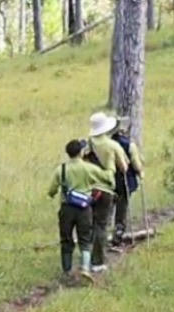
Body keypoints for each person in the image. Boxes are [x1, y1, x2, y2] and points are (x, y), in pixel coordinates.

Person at [47, 139, 111, 283]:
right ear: (81, 152)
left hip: (66, 209)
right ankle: (85, 268)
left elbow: (51, 190)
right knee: (85, 239)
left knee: (66, 239)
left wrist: (53, 194)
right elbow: (107, 178)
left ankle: (67, 270)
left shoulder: (61, 169)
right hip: (84, 209)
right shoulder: (88, 168)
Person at [85, 112, 128, 273]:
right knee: (101, 225)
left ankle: (85, 257)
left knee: (90, 222)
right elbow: (123, 167)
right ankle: (98, 261)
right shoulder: (112, 146)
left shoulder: (87, 144)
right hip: (106, 188)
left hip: (89, 188)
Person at [111, 117, 145, 245]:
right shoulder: (129, 144)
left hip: (108, 180)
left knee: (108, 207)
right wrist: (140, 172)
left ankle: (102, 232)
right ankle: (118, 231)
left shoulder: (105, 143)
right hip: (124, 180)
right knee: (122, 206)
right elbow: (136, 164)